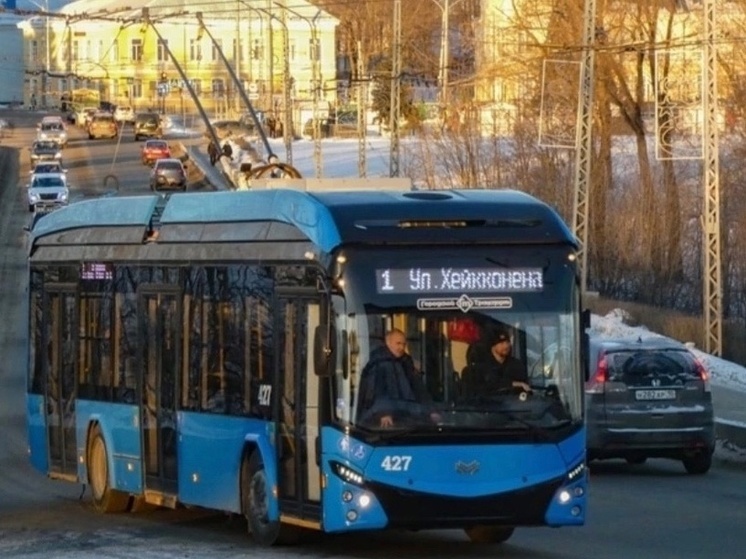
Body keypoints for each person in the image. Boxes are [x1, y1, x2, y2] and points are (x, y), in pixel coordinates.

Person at [357, 329, 436, 428]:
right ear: (388, 342)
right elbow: (376, 390)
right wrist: (383, 412)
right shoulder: (378, 362)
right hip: (382, 418)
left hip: (408, 414)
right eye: (398, 343)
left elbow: (419, 389)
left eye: (404, 344)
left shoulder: (407, 362)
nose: (401, 347)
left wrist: (431, 410)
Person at [463, 329, 531, 398]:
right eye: (501, 343)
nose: (506, 346)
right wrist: (513, 384)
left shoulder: (516, 365)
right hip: (489, 407)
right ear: (493, 346)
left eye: (507, 342)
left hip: (515, 405)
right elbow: (489, 385)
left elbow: (525, 387)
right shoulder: (481, 367)